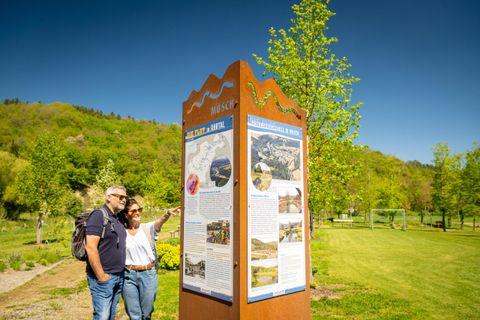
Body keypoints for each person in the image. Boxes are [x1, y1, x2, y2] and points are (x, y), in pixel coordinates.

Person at [120, 198, 180, 320]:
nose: (137, 213)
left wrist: (167, 213)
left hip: (148, 274)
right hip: (128, 275)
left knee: (146, 313)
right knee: (134, 314)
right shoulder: (121, 232)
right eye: (134, 211)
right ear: (126, 215)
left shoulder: (147, 228)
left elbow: (160, 221)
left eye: (139, 210)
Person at [85, 185, 128, 320]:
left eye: (125, 198)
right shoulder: (98, 215)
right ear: (108, 197)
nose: (123, 200)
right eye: (120, 197)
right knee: (102, 316)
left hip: (118, 275)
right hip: (103, 277)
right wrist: (101, 276)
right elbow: (90, 247)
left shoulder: (118, 218)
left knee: (111, 315)